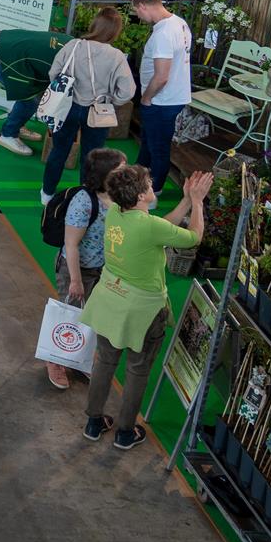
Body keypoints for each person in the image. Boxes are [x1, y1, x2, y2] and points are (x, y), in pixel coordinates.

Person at [80, 165, 210, 450]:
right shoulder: (149, 227)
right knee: (137, 371)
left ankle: (93, 422)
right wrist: (198, 202)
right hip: (143, 311)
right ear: (141, 196)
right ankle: (125, 432)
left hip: (109, 299)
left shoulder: (117, 212)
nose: (153, 185)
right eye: (149, 184)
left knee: (105, 361)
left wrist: (186, 200)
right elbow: (193, 237)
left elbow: (160, 227)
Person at [47, 147, 127, 390]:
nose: (126, 174)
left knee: (94, 316)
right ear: (104, 174)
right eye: (120, 170)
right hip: (76, 269)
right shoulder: (84, 201)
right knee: (69, 314)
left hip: (102, 269)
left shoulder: (119, 197)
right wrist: (76, 280)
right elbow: (71, 244)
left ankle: (80, 359)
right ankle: (55, 360)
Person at [42, 9, 137, 204]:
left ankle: (47, 192)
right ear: (115, 31)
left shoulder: (73, 45)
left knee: (59, 150)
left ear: (95, 24)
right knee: (92, 158)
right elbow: (127, 92)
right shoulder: (116, 56)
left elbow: (53, 73)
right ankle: (84, 198)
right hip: (98, 111)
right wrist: (112, 101)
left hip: (66, 106)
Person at [127, 0, 194, 192]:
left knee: (158, 149)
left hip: (161, 100)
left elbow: (161, 76)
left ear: (142, 6)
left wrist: (146, 98)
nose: (138, 16)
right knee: (149, 142)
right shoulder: (179, 23)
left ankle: (153, 192)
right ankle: (137, 181)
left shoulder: (163, 34)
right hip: (172, 96)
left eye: (136, 11)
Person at [0, 26, 68, 157]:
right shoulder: (71, 61)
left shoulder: (74, 44)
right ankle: (7, 134)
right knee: (30, 100)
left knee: (33, 95)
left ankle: (17, 125)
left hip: (2, 43)